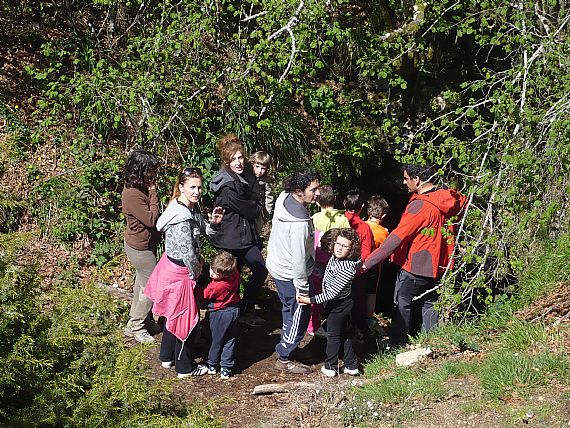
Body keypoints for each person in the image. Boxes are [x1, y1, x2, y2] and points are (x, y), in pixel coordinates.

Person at [362, 164, 467, 348]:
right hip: (439, 265)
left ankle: (396, 344)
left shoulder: (421, 205)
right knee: (431, 304)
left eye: (406, 178)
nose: (404, 182)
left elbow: (397, 237)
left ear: (416, 179)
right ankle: (431, 344)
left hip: (416, 265)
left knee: (402, 303)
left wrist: (368, 262)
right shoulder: (446, 198)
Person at [144, 167, 224, 378]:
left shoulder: (185, 206)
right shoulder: (181, 217)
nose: (197, 191)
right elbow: (187, 252)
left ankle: (167, 357)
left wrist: (213, 224)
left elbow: (202, 229)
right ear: (181, 187)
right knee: (186, 319)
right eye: (192, 187)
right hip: (180, 273)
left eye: (199, 187)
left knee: (172, 314)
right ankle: (185, 367)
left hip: (172, 268)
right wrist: (198, 272)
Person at [266, 168, 321, 374]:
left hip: (278, 265)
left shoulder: (283, 198)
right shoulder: (299, 224)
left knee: (289, 309)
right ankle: (285, 356)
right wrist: (303, 288)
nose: (317, 193)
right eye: (313, 189)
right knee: (300, 312)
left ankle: (288, 345)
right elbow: (299, 260)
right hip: (291, 273)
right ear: (299, 191)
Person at [210, 135, 268, 318]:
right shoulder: (228, 186)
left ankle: (244, 307)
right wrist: (257, 204)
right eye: (233, 159)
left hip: (244, 238)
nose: (238, 162)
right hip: (231, 240)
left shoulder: (242, 178)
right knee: (229, 277)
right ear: (226, 162)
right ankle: (223, 311)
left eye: (240, 157)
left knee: (259, 270)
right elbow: (250, 210)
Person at [298, 228, 361, 377]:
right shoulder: (336, 257)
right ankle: (351, 365)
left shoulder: (347, 268)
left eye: (345, 246)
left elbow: (331, 294)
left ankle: (330, 366)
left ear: (351, 249)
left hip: (340, 305)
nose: (339, 248)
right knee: (343, 333)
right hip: (337, 303)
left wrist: (309, 300)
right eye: (338, 244)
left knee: (333, 336)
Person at [122, 149, 162, 344]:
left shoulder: (138, 188)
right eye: (150, 170)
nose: (153, 175)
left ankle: (138, 320)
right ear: (140, 171)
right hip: (139, 248)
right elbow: (151, 219)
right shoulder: (133, 194)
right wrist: (154, 194)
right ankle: (137, 327)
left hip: (143, 245)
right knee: (152, 286)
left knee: (142, 284)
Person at [308, 184, 350, 336]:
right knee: (333, 292)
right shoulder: (342, 219)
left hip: (316, 261)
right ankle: (328, 320)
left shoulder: (314, 218)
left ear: (317, 201)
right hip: (334, 263)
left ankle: (313, 324)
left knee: (315, 291)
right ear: (335, 199)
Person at [196, 251, 241, 380]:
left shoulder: (217, 286)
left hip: (220, 313)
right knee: (230, 339)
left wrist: (195, 287)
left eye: (215, 273)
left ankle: (212, 364)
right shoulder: (235, 274)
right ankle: (226, 367)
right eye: (212, 269)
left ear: (222, 274)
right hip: (234, 310)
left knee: (216, 340)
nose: (211, 274)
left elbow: (203, 294)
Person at [343, 189, 375, 336]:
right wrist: (361, 270)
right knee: (357, 300)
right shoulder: (364, 227)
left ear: (344, 203)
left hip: (337, 268)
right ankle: (359, 328)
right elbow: (366, 252)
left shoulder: (339, 220)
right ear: (361, 207)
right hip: (355, 271)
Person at [364, 195, 390, 331]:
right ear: (383, 215)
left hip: (360, 263)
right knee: (371, 292)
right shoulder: (383, 232)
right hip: (373, 267)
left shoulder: (361, 226)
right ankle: (368, 317)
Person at [249, 151, 274, 239]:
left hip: (258, 205)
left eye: (263, 168)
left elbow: (269, 195)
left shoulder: (265, 180)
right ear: (252, 164)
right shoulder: (248, 175)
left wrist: (268, 210)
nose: (259, 171)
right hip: (247, 204)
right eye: (257, 167)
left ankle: (257, 237)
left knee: (258, 224)